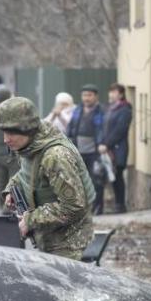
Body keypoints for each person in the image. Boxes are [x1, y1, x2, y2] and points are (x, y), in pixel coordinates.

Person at [0, 97, 94, 261]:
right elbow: (28, 173)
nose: (5, 139)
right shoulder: (31, 147)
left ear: (27, 129)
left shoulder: (55, 156)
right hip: (51, 240)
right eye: (4, 132)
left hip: (69, 245)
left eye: (11, 133)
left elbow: (73, 206)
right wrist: (12, 189)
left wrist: (30, 220)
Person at [67, 83, 105, 214]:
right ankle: (84, 208)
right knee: (80, 180)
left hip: (95, 151)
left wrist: (102, 143)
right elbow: (71, 127)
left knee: (97, 180)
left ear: (95, 96)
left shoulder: (101, 110)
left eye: (89, 95)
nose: (86, 98)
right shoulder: (78, 109)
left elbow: (103, 130)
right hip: (78, 151)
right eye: (84, 95)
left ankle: (98, 207)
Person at [100, 83, 133, 214]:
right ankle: (113, 204)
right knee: (111, 177)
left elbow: (120, 130)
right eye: (110, 92)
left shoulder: (125, 109)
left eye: (114, 92)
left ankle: (120, 205)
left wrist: (107, 144)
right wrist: (102, 143)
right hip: (107, 149)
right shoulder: (109, 108)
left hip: (118, 149)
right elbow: (104, 128)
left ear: (121, 94)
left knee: (118, 176)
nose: (111, 94)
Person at [0, 87, 19, 210]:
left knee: (1, 179)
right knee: (14, 179)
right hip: (12, 151)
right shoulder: (14, 114)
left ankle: (2, 205)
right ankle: (9, 208)